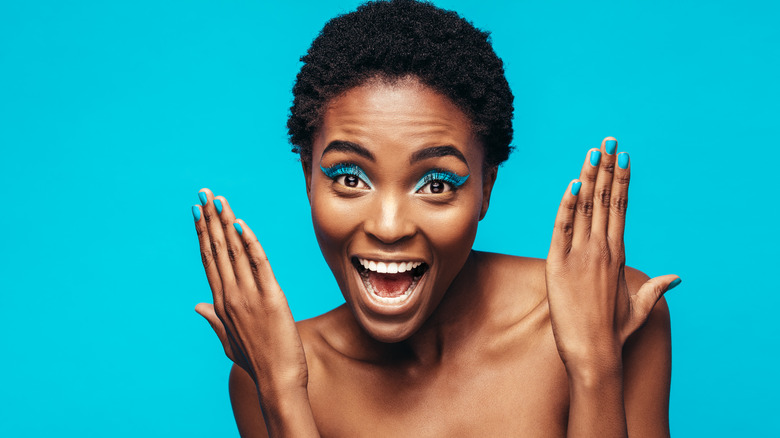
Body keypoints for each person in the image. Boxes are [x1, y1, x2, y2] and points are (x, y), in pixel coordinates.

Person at [191, 1, 680, 436]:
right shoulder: (272, 365)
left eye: (436, 185)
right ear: (308, 178)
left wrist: (594, 365)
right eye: (349, 177)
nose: (388, 227)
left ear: (486, 188)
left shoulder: (608, 313)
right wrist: (280, 391)